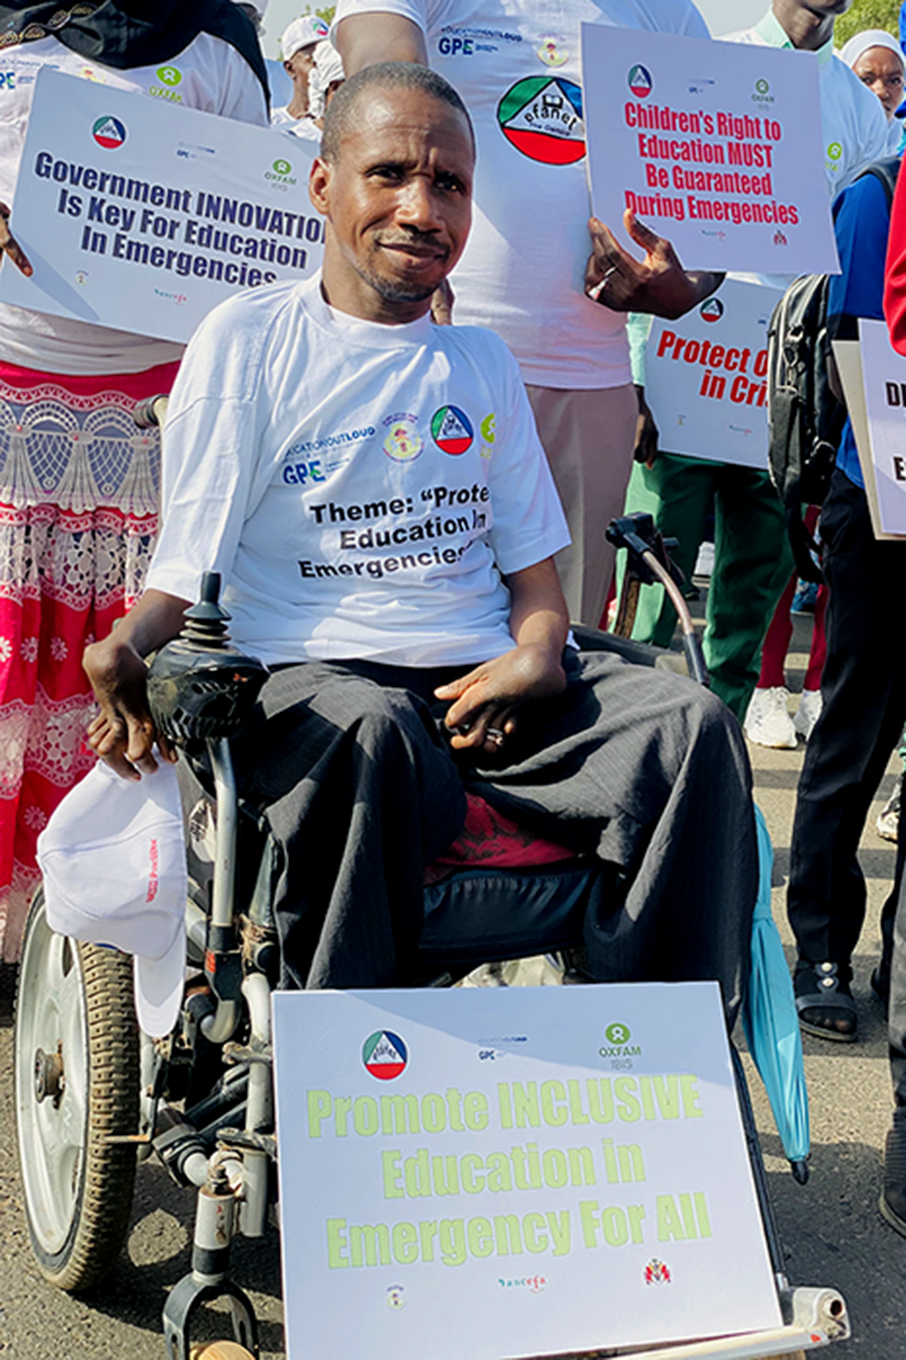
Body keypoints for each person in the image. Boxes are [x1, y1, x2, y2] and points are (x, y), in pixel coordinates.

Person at [83, 63, 757, 1021]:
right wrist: (128, 646)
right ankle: (359, 1091)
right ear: (325, 184)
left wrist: (536, 656)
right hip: (310, 684)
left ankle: (651, 1065)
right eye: (389, 173)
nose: (421, 208)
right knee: (375, 731)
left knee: (694, 730)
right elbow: (190, 572)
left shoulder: (478, 360)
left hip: (481, 687)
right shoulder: (250, 338)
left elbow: (535, 579)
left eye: (449, 184)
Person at [0, 1, 269, 963]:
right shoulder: (8, 32)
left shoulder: (221, 51)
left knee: (124, 657)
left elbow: (257, 220)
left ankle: (102, 916)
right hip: (12, 389)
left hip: (156, 406)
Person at [333, 0, 723, 629]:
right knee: (409, 620)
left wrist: (683, 285)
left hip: (589, 380)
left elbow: (717, 198)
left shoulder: (667, 14)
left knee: (564, 641)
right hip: (429, 355)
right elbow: (381, 69)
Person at [615, 0, 890, 727]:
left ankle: (715, 760)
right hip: (685, 363)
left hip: (781, 385)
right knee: (648, 592)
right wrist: (637, 375)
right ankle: (618, 755)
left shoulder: (861, 108)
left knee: (749, 594)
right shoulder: (705, 61)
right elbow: (649, 215)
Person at [742, 22, 906, 749]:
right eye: (869, 75)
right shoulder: (874, 198)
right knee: (776, 551)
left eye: (891, 79)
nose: (880, 90)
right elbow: (864, 328)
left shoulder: (870, 136)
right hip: (831, 422)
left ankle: (814, 690)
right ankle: (760, 685)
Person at [782, 138, 905, 1043]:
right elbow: (859, 357)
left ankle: (903, 963)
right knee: (857, 731)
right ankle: (822, 943)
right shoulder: (877, 195)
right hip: (882, 504)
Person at [840, 27, 905, 153]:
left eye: (894, 81)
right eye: (866, 80)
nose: (881, 92)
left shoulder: (902, 156)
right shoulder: (819, 143)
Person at [271, 14, 330, 133]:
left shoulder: (341, 126)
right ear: (290, 69)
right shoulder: (271, 121)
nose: (324, 68)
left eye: (328, 59)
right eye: (315, 62)